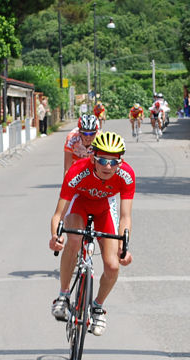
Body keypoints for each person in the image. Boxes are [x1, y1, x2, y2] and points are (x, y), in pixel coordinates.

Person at [49, 131, 135, 336]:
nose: (108, 166)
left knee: (113, 265)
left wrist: (124, 247)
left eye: (114, 162)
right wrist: (56, 237)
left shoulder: (127, 175)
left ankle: (98, 306)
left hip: (105, 208)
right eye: (103, 160)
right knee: (75, 239)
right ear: (92, 157)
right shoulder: (77, 171)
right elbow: (58, 214)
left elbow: (125, 217)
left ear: (120, 162)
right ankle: (63, 294)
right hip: (80, 204)